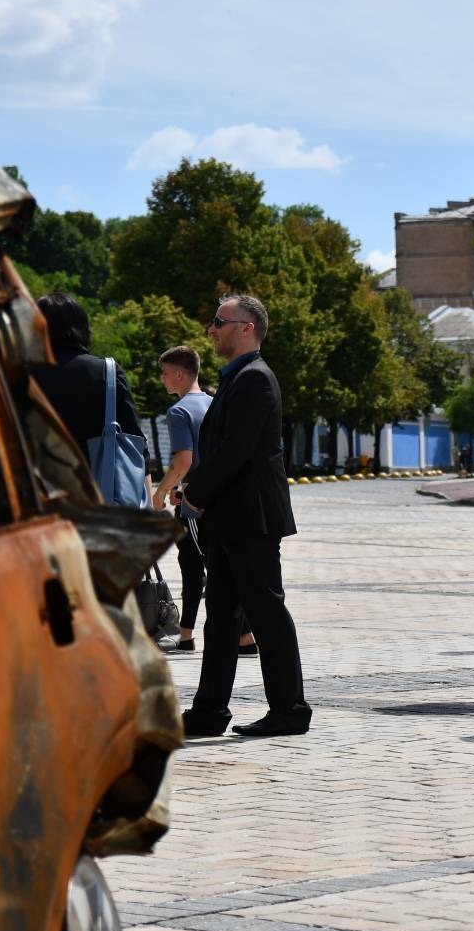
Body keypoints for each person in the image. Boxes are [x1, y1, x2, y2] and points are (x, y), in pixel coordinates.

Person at [177, 294, 311, 737]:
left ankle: (290, 709)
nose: (211, 329)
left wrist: (194, 493)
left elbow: (235, 451)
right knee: (221, 617)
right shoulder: (236, 378)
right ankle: (209, 710)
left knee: (266, 612)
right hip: (231, 517)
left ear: (246, 327)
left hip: (250, 518)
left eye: (220, 321)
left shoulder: (255, 379)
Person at [152, 345, 256, 657]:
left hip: (197, 504)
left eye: (165, 373)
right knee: (215, 565)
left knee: (211, 568)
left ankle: (245, 637)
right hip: (219, 494)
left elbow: (184, 460)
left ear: (180, 374)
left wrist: (160, 492)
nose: (162, 379)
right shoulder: (214, 402)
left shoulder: (179, 411)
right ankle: (230, 636)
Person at [30, 291, 146, 474]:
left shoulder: (20, 374)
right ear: (82, 327)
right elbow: (132, 437)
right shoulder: (107, 371)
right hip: (96, 483)